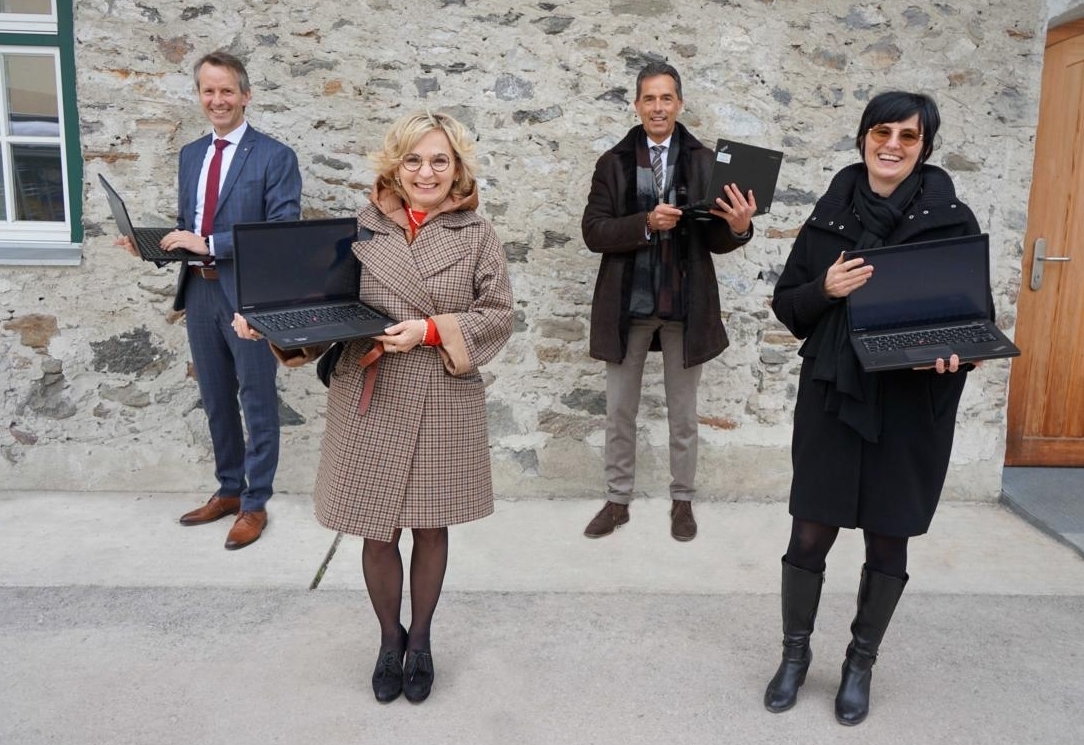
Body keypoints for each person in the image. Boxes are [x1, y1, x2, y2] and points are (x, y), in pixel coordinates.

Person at [235, 112, 512, 704]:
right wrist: (271, 327)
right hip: (371, 393)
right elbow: (322, 309)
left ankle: (423, 643)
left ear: (457, 166)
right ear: (395, 165)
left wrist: (432, 331)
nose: (425, 172)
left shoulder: (477, 233)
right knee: (375, 527)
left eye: (439, 160)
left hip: (441, 390)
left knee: (430, 524)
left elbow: (499, 314)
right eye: (413, 159)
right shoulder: (358, 229)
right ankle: (390, 640)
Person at [764, 91, 982, 725]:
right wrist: (824, 288)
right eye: (881, 131)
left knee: (889, 540)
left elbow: (972, 322)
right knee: (810, 529)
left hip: (913, 403)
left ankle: (860, 664)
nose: (892, 145)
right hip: (833, 392)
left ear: (925, 147)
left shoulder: (951, 219)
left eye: (908, 137)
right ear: (862, 137)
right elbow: (788, 306)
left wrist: (954, 355)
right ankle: (795, 657)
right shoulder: (830, 214)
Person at [117, 50, 302, 550]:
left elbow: (281, 234)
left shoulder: (275, 156)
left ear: (246, 95)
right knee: (216, 398)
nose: (217, 100)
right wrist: (156, 245)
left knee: (257, 399)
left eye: (226, 91)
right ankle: (227, 489)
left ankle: (254, 502)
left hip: (248, 297)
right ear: (199, 95)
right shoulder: (192, 155)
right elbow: (190, 228)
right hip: (199, 291)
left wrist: (213, 245)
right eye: (208, 90)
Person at [580, 61, 755, 542]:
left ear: (679, 103)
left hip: (684, 305)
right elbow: (593, 232)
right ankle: (617, 501)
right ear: (637, 105)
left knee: (683, 415)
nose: (658, 107)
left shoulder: (706, 162)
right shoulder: (612, 163)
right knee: (619, 411)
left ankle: (682, 501)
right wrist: (644, 224)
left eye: (666, 98)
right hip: (628, 307)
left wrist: (739, 226)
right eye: (649, 99)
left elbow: (718, 238)